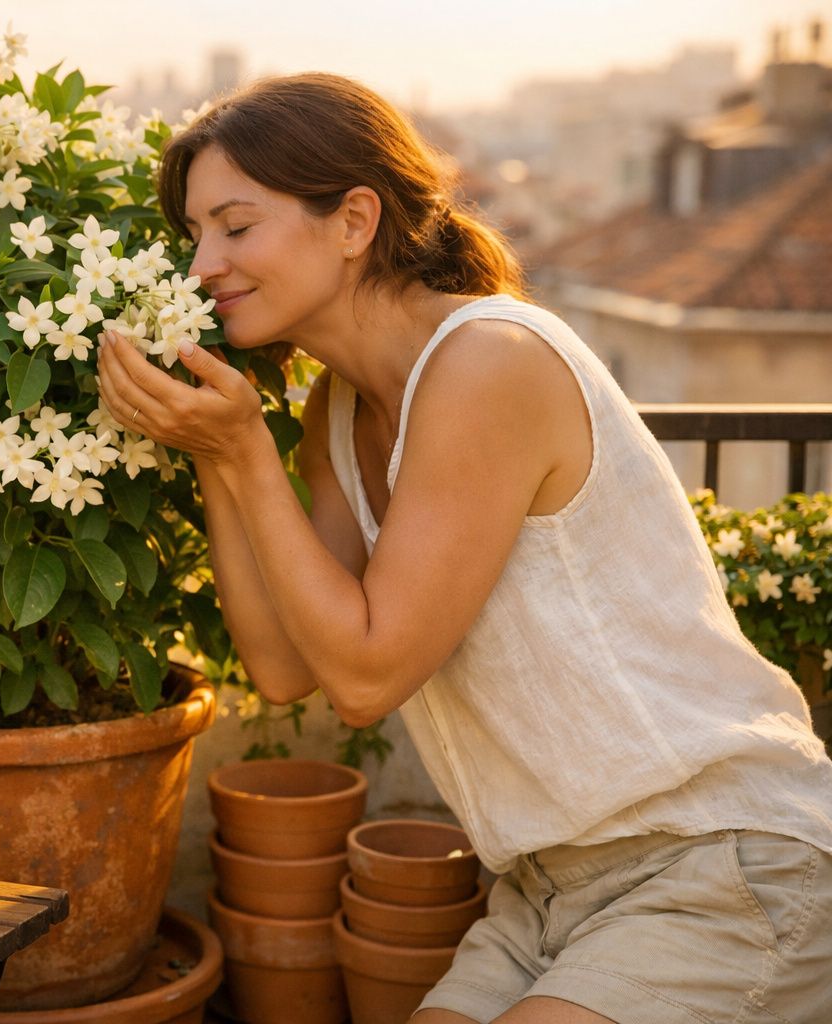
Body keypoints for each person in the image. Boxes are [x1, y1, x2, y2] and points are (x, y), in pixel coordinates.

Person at [95, 72, 832, 1024]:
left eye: (236, 227)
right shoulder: (339, 409)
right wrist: (214, 454)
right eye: (195, 236)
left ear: (355, 220)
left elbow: (366, 677)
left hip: (721, 860)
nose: (203, 267)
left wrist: (240, 446)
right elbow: (282, 668)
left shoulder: (488, 362)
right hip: (544, 890)